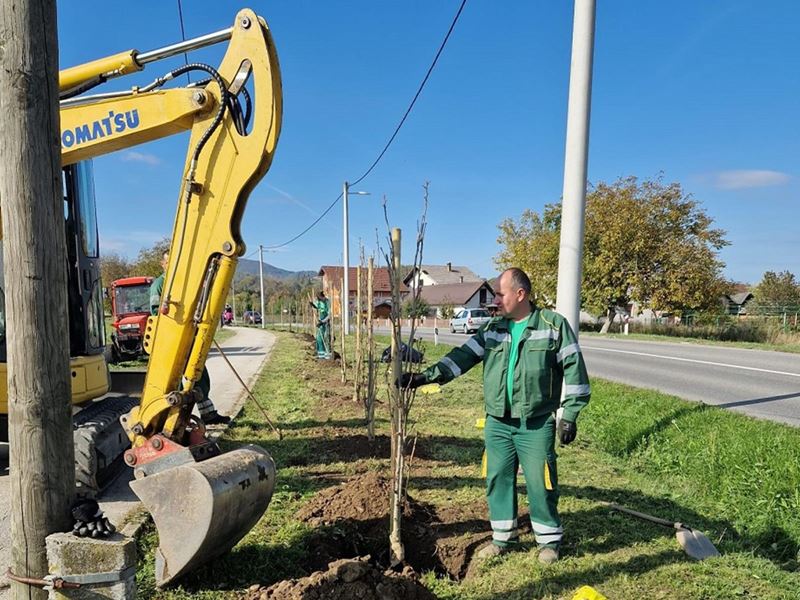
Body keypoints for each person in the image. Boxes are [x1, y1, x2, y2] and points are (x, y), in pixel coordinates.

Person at [398, 267, 590, 564]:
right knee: (498, 478)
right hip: (498, 422)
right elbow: (462, 358)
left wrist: (571, 414)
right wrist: (425, 377)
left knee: (541, 482)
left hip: (535, 423)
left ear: (520, 294)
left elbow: (574, 369)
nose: (496, 300)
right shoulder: (493, 329)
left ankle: (549, 541)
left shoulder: (553, 326)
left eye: (500, 294)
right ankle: (504, 538)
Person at [150, 250, 230, 425]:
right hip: (171, 340)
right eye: (168, 262)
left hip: (189, 336)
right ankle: (173, 421)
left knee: (198, 374)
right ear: (162, 264)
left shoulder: (185, 284)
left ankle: (208, 414)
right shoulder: (159, 285)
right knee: (175, 381)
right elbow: (157, 312)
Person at [309, 291, 332, 359]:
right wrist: (312, 305)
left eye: (320, 299)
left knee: (326, 337)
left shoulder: (328, 302)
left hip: (326, 320)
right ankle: (320, 355)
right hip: (320, 319)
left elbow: (329, 315)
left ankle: (327, 355)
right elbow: (316, 306)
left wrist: (323, 321)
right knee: (319, 338)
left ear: (323, 297)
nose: (319, 300)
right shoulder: (319, 301)